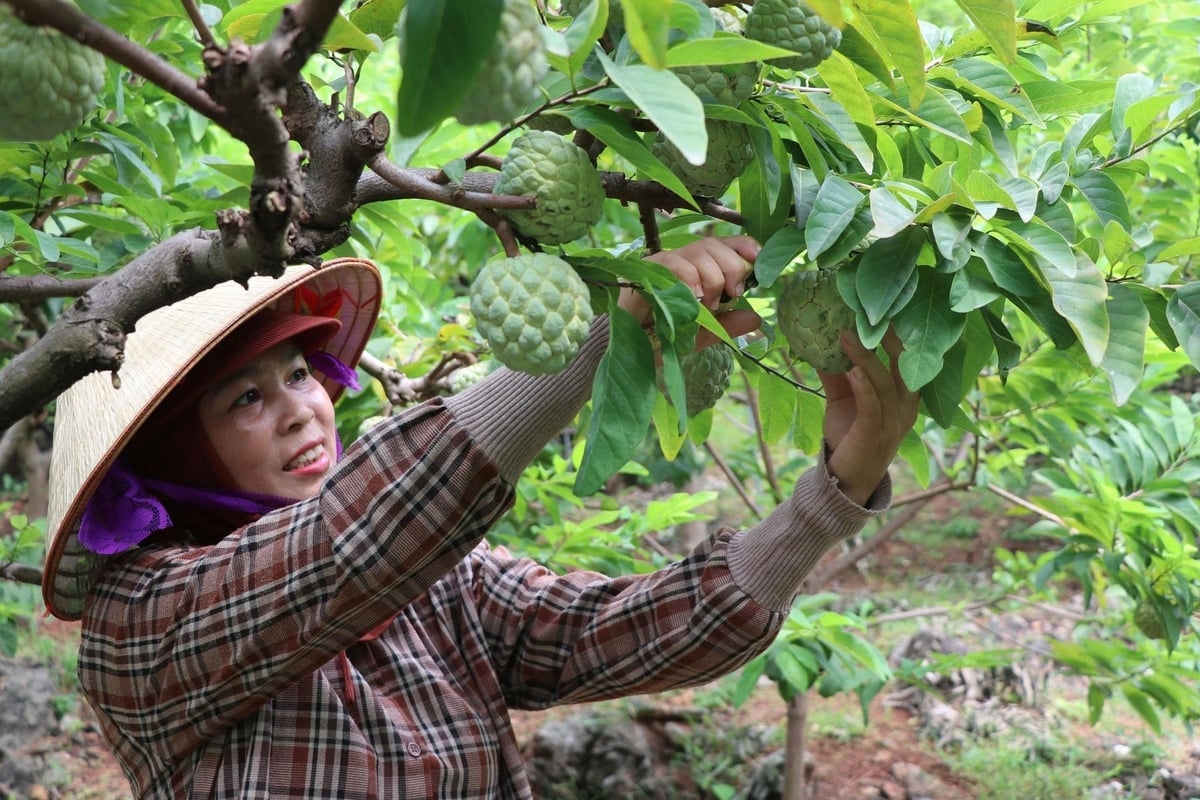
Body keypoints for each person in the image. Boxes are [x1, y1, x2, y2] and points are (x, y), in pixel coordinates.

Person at [43, 237, 919, 799]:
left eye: (301, 374)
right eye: (244, 397)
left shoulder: (434, 580)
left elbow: (595, 634)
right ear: (171, 458)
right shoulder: (142, 625)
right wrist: (595, 344)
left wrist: (833, 495)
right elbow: (342, 549)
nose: (304, 411)